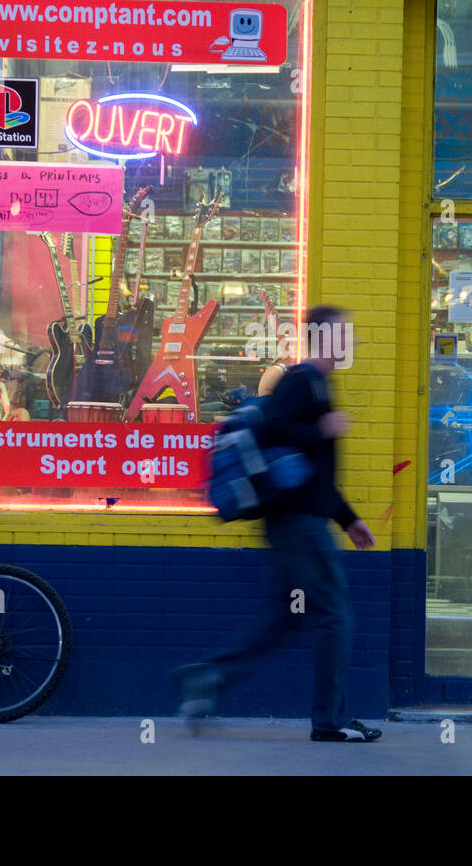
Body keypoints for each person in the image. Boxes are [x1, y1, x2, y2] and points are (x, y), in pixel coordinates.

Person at [176, 304, 381, 742]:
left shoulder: (317, 384)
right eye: (346, 333)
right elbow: (271, 431)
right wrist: (320, 431)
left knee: (289, 614)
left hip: (297, 522)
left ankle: (210, 676)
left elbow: (314, 472)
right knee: (335, 615)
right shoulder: (302, 382)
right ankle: (329, 723)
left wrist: (348, 519)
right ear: (324, 338)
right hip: (298, 525)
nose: (353, 341)